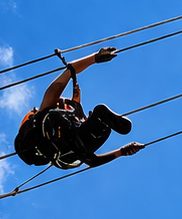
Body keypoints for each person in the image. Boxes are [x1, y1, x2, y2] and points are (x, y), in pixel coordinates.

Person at [14, 47, 144, 169]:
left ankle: (99, 118)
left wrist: (121, 152)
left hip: (75, 146)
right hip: (73, 144)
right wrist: (94, 58)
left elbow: (93, 161)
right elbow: (69, 73)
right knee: (98, 114)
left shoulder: (59, 124)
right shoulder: (45, 115)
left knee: (98, 119)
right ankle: (99, 117)